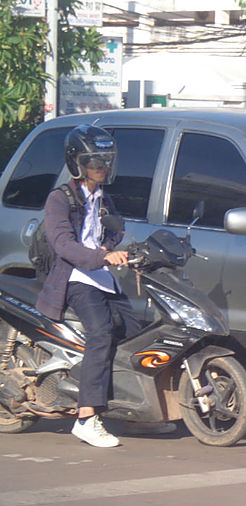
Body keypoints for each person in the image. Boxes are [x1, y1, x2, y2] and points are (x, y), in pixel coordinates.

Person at [35, 125, 172, 447]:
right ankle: (85, 418)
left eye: (106, 161)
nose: (102, 167)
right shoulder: (60, 199)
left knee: (135, 335)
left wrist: (121, 249)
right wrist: (103, 256)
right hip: (75, 278)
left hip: (102, 279)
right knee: (101, 334)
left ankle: (131, 412)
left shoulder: (104, 198)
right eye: (95, 162)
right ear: (77, 163)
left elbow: (114, 232)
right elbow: (63, 245)